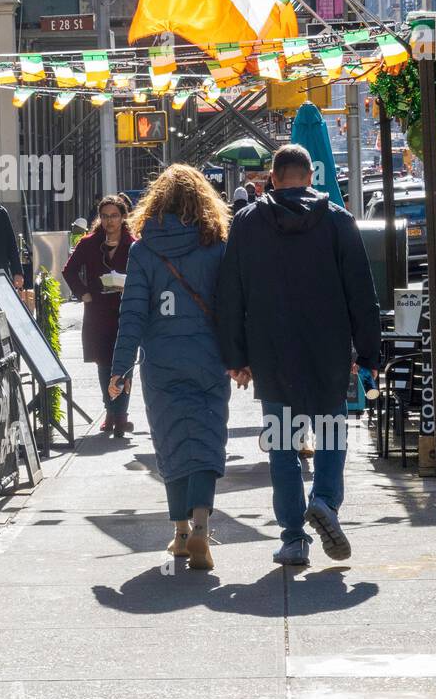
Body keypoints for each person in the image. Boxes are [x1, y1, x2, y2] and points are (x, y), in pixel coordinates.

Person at [216, 143, 381, 569]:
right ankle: (325, 500)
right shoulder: (338, 221)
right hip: (328, 349)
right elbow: (361, 291)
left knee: (283, 446)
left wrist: (235, 356)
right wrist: (369, 353)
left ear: (272, 179)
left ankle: (293, 539)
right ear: (311, 177)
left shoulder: (249, 222)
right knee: (329, 434)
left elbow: (230, 293)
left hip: (272, 354)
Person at [109, 166, 230, 571]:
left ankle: (179, 533)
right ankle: (201, 527)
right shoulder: (216, 247)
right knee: (207, 440)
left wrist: (120, 368)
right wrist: (242, 358)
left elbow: (132, 315)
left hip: (159, 362)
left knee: (171, 441)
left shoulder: (142, 251)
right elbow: (234, 308)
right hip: (207, 359)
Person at [62, 195, 136, 437]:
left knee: (124, 363)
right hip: (98, 310)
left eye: (114, 216)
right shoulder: (89, 243)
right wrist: (83, 293)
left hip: (126, 309)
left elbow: (145, 275)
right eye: (105, 216)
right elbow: (69, 270)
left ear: (123, 217)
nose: (109, 221)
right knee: (104, 362)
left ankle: (121, 414)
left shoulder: (133, 244)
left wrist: (132, 289)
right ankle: (110, 411)